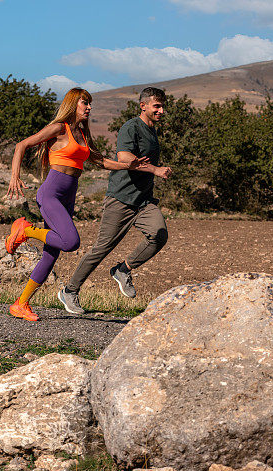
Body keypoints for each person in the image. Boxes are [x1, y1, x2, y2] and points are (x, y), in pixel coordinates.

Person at [4, 87, 150, 321]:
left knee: (51, 255)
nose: (89, 107)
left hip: (68, 196)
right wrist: (14, 175)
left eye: (90, 104)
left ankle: (21, 303)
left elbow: (101, 161)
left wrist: (128, 166)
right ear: (73, 104)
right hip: (51, 194)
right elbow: (21, 145)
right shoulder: (59, 128)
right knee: (70, 242)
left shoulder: (82, 134)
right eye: (85, 103)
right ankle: (26, 230)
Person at [56, 87, 172, 314]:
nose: (161, 110)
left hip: (144, 201)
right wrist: (155, 170)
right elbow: (124, 157)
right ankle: (69, 291)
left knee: (159, 235)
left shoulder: (153, 131)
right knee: (101, 248)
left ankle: (123, 269)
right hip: (121, 199)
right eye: (157, 106)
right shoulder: (132, 127)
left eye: (162, 106)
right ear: (143, 106)